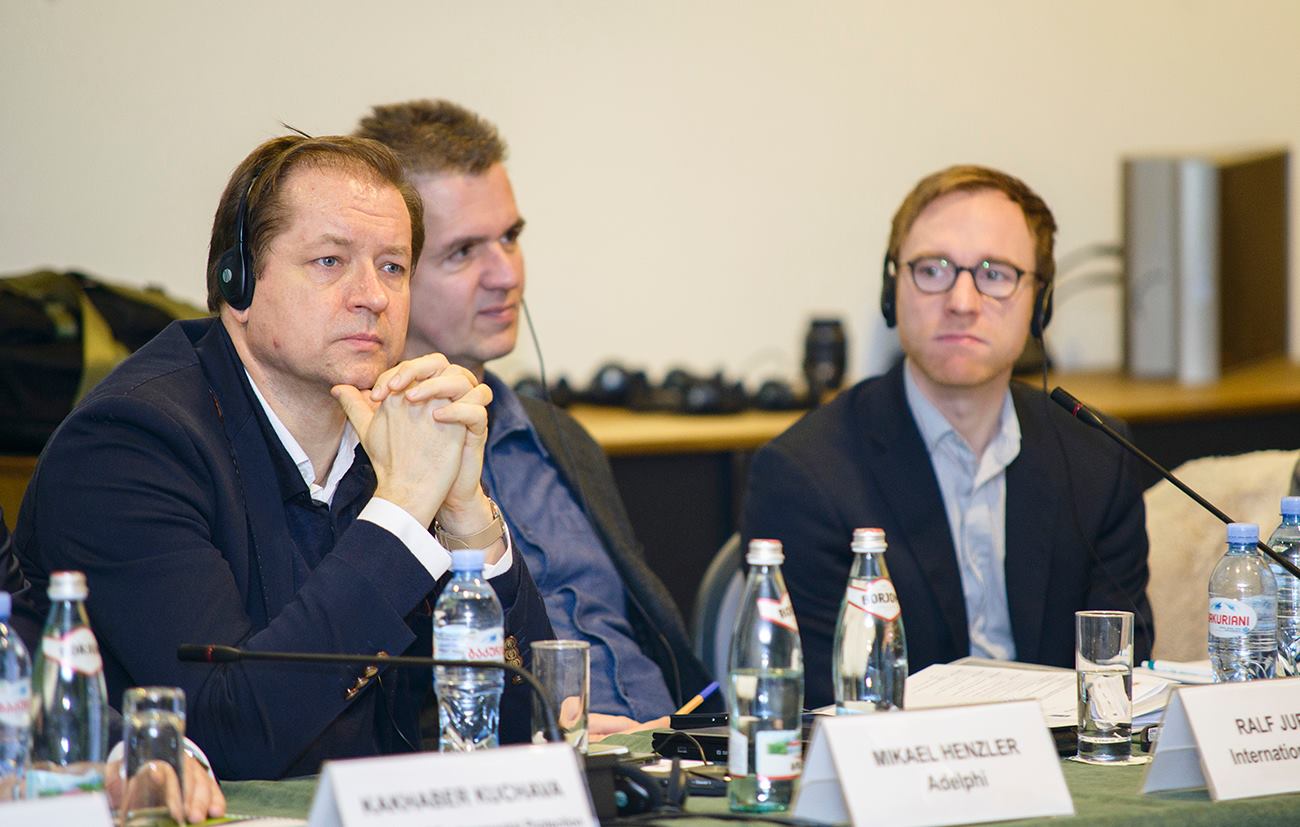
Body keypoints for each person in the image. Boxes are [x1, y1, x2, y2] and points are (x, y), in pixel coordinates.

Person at [15, 135, 553, 780]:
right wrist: (405, 508)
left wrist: (467, 518)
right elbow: (228, 733)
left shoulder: (390, 432)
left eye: (392, 267)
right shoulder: (129, 446)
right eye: (330, 261)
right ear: (236, 283)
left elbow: (533, 729)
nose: (374, 296)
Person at [741, 165, 1153, 709]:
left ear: (1041, 303)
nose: (961, 301)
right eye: (932, 270)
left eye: (995, 273)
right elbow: (821, 703)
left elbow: (1118, 676)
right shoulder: (805, 475)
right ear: (892, 291)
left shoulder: (1097, 457)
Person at [354, 100, 713, 724]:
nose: (506, 274)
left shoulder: (559, 438)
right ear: (392, 275)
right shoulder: (362, 461)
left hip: (672, 745)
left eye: (511, 238)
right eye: (464, 251)